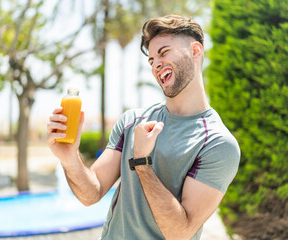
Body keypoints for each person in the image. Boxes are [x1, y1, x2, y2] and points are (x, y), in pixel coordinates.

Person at [47, 15, 240, 240]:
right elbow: (92, 193)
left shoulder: (217, 143)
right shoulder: (132, 121)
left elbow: (180, 232)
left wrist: (141, 162)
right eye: (151, 60)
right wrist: (70, 159)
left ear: (195, 51)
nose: (156, 64)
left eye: (164, 52)